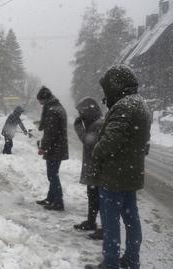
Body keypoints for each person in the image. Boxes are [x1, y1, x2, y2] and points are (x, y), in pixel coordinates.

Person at [85, 65, 151, 269]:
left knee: (111, 221)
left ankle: (111, 263)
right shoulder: (141, 104)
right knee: (132, 220)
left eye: (107, 90)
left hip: (114, 176)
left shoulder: (124, 106)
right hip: (130, 173)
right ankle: (132, 259)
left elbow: (110, 142)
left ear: (116, 86)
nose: (106, 95)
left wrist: (96, 150)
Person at [72, 97, 104, 239]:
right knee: (93, 197)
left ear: (88, 112)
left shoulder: (97, 125)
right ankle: (91, 222)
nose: (80, 116)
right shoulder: (95, 123)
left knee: (99, 198)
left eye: (81, 113)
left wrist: (78, 128)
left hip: (97, 169)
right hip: (93, 167)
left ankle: (104, 228)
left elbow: (88, 142)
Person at [35, 86, 69, 211]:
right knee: (53, 174)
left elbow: (50, 132)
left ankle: (59, 202)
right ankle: (51, 198)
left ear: (45, 98)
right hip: (58, 146)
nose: (40, 103)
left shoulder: (52, 110)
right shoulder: (57, 107)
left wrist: (43, 147)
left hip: (55, 147)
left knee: (52, 175)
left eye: (40, 101)